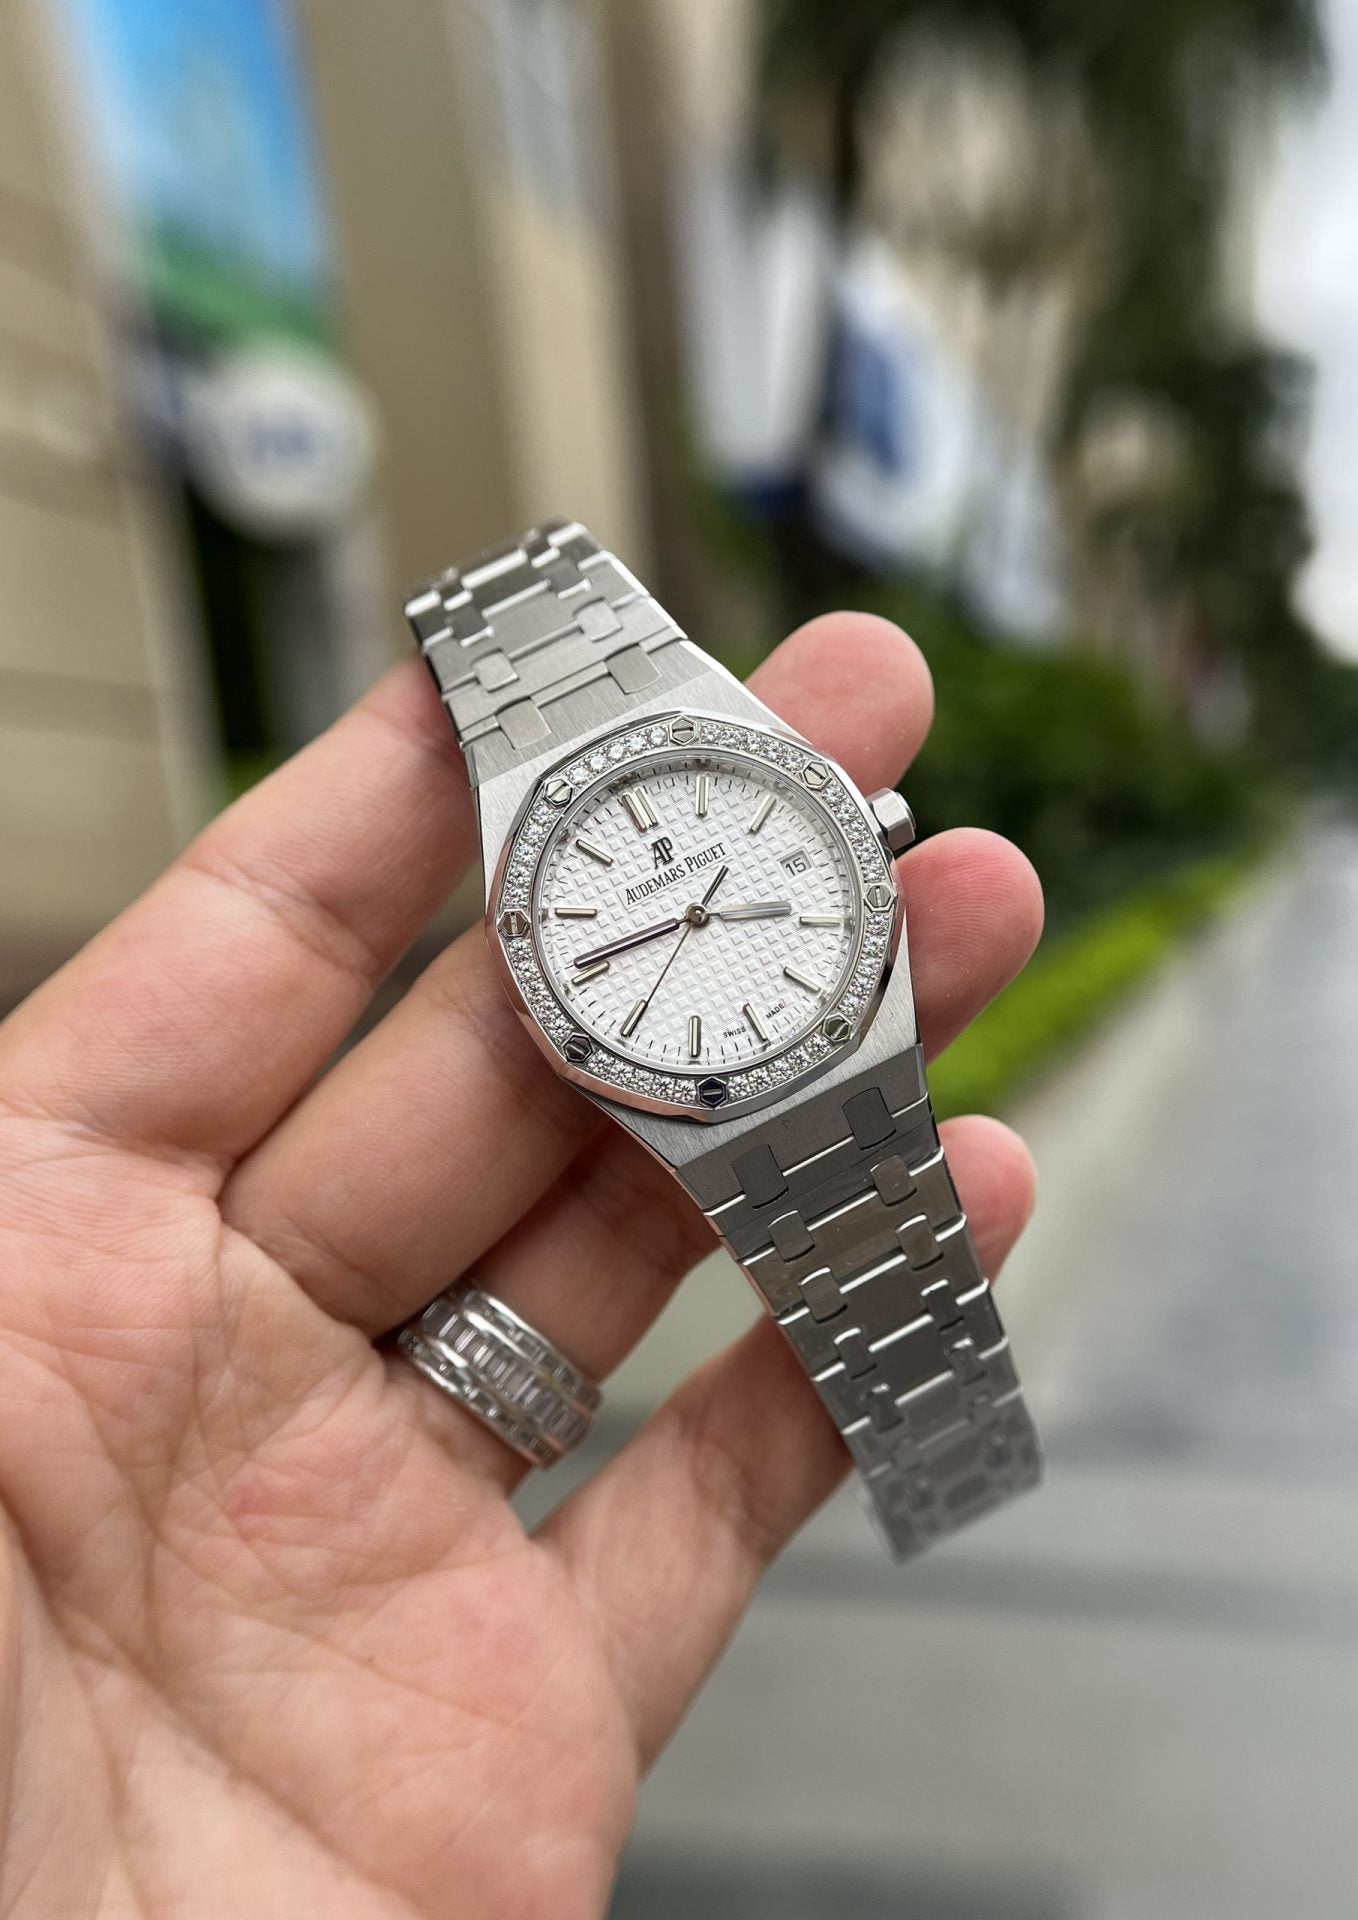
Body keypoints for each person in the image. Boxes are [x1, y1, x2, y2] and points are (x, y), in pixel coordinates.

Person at [0, 612, 1041, 1917]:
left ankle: (955, 1451)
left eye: (704, 898)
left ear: (860, 827)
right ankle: (956, 1457)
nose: (695, 909)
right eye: (675, 907)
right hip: (676, 1050)